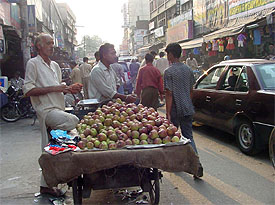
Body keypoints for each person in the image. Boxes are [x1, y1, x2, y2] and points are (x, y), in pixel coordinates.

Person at [23, 33, 82, 197]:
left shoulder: (55, 65)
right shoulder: (33, 64)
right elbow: (28, 90)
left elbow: (58, 86)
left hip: (58, 109)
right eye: (48, 43)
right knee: (74, 121)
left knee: (51, 150)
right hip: (46, 111)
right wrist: (57, 88)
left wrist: (69, 88)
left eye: (52, 43)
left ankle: (46, 185)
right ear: (39, 46)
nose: (51, 46)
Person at [164, 43, 203, 178]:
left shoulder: (169, 72)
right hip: (187, 107)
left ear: (171, 54)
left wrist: (168, 112)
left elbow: (169, 93)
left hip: (175, 108)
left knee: (173, 137)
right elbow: (191, 91)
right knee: (189, 137)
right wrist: (187, 102)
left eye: (168, 53)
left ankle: (176, 163)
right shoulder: (188, 70)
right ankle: (196, 164)